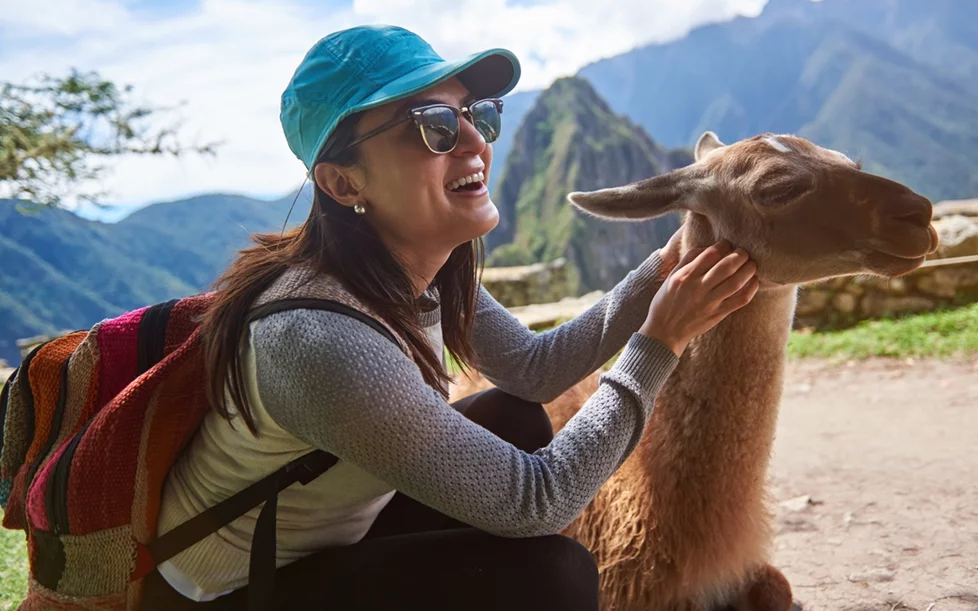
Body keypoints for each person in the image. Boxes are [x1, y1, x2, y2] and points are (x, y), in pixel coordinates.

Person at [141, 24, 759, 611]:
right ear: (342, 182)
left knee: (512, 415)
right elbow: (535, 500)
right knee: (552, 577)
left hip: (337, 537)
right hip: (230, 591)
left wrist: (663, 266)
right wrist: (658, 341)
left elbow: (532, 371)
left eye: (475, 113)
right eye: (431, 126)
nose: (475, 142)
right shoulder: (318, 337)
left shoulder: (416, 265)